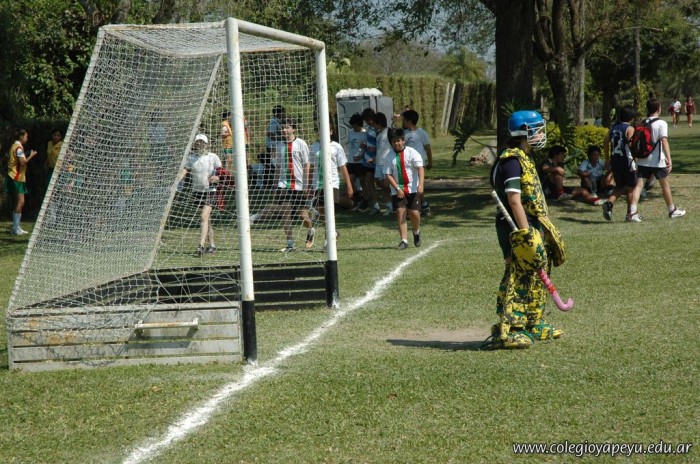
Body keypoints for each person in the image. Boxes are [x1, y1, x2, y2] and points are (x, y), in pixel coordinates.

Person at [489, 110, 565, 349]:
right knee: (518, 274)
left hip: (532, 224)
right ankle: (510, 329)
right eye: (538, 130)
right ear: (524, 132)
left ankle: (533, 322)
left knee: (536, 273)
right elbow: (514, 201)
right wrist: (526, 235)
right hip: (516, 227)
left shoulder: (526, 157)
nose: (542, 134)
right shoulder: (511, 161)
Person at [252, 119, 312, 252]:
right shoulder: (279, 146)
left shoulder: (301, 144)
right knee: (286, 212)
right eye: (283, 128)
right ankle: (290, 243)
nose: (284, 130)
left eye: (287, 127)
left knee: (302, 216)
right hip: (283, 184)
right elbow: (278, 167)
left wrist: (307, 184)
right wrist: (275, 185)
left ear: (293, 129)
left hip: (298, 185)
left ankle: (311, 229)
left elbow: (306, 165)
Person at [627, 99, 686, 222]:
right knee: (665, 185)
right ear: (659, 108)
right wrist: (669, 158)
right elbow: (664, 141)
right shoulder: (661, 123)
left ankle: (632, 213)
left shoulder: (642, 122)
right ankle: (672, 210)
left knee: (639, 186)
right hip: (657, 160)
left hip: (643, 159)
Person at [308, 126, 354, 247]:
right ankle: (333, 232)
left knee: (329, 211)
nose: (323, 132)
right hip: (317, 184)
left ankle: (327, 241)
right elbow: (311, 167)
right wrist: (309, 185)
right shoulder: (313, 147)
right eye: (320, 130)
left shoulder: (336, 146)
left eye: (327, 129)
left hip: (332, 182)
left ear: (331, 131)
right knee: (322, 212)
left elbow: (343, 167)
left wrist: (349, 185)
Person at [179, 133, 222, 255]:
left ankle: (201, 246)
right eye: (198, 142)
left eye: (202, 143)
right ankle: (212, 245)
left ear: (206, 144)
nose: (200, 144)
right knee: (207, 219)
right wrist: (178, 181)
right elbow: (184, 170)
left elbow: (222, 172)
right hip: (197, 191)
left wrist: (217, 178)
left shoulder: (212, 157)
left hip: (210, 191)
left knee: (203, 217)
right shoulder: (191, 158)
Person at [384, 128, 424, 250]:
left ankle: (416, 232)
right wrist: (397, 188)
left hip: (412, 189)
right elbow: (388, 174)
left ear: (403, 141)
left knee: (414, 213)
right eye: (394, 141)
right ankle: (404, 240)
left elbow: (420, 168)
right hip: (397, 190)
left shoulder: (412, 153)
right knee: (400, 212)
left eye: (398, 141)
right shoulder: (389, 156)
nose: (396, 143)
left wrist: (421, 185)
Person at [601, 105, 637, 221]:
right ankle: (630, 213)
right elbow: (631, 145)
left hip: (615, 161)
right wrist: (636, 158)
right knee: (631, 187)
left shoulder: (613, 128)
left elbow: (605, 141)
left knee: (620, 186)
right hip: (627, 161)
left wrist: (607, 159)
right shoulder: (629, 129)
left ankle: (609, 203)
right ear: (631, 117)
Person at [4, 128, 38, 235]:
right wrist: (31, 155)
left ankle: (16, 227)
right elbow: (23, 162)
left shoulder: (14, 146)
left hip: (13, 176)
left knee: (17, 202)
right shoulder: (18, 148)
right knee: (20, 202)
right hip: (17, 177)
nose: (27, 138)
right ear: (21, 136)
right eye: (26, 136)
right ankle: (16, 228)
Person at [402, 109, 433, 214]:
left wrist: (430, 162)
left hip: (419, 164)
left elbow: (427, 148)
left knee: (419, 186)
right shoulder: (404, 134)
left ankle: (421, 205)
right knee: (411, 186)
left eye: (404, 120)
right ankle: (421, 205)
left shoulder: (421, 133)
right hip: (408, 165)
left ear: (409, 121)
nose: (403, 122)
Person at [371, 112, 393, 216]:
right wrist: (374, 158)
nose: (374, 126)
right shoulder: (379, 134)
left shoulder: (390, 132)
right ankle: (389, 206)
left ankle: (397, 202)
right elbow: (379, 149)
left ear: (379, 123)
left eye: (374, 124)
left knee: (387, 185)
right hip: (378, 163)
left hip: (387, 163)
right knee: (380, 184)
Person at [359, 107, 380, 214]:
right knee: (369, 181)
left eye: (367, 120)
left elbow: (382, 145)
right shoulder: (368, 129)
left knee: (381, 183)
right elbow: (369, 142)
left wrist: (375, 149)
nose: (366, 122)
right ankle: (376, 205)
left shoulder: (379, 129)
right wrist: (365, 146)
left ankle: (390, 203)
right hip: (368, 160)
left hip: (378, 160)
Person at [346, 113, 366, 210]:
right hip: (351, 160)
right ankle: (357, 199)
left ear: (359, 124)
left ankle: (364, 200)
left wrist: (361, 156)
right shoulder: (350, 132)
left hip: (360, 161)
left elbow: (366, 147)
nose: (354, 128)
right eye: (352, 126)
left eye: (355, 126)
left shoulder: (364, 133)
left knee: (362, 182)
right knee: (350, 179)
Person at [263, 105, 286, 187]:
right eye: (283, 112)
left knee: (272, 164)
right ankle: (267, 183)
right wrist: (281, 138)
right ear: (278, 113)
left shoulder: (279, 121)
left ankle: (269, 182)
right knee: (272, 164)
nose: (284, 114)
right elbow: (269, 134)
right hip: (272, 147)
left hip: (276, 146)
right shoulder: (274, 122)